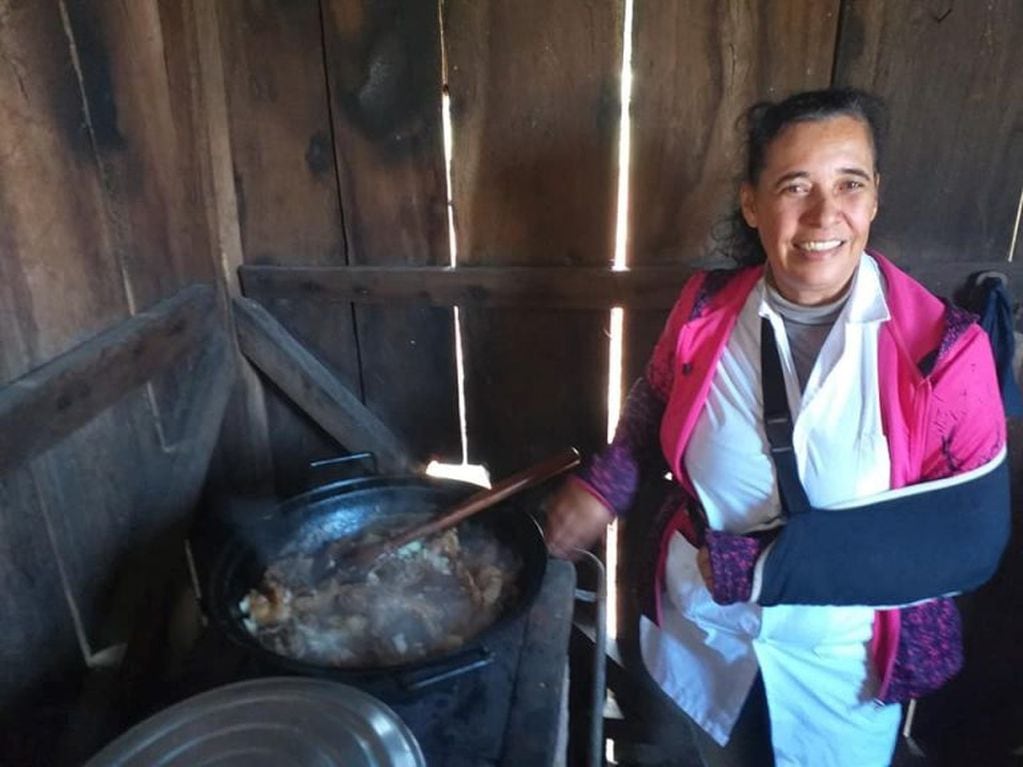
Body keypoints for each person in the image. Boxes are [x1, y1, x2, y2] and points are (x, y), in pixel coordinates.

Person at [545, 88, 1010, 767]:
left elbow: (965, 540)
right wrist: (607, 482)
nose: (825, 214)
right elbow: (655, 397)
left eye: (849, 183)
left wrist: (759, 566)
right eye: (795, 186)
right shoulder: (704, 308)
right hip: (700, 635)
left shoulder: (943, 352)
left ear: (874, 195)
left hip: (843, 671)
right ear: (752, 203)